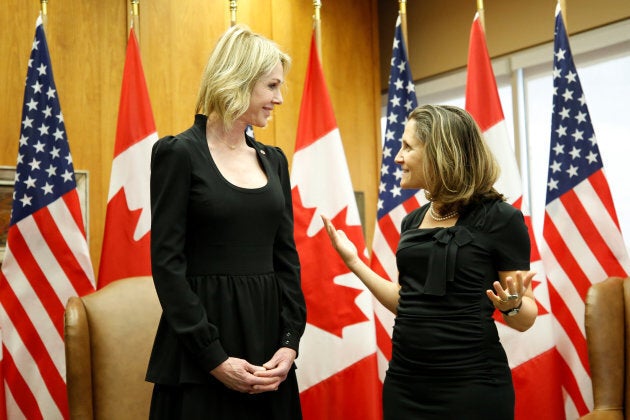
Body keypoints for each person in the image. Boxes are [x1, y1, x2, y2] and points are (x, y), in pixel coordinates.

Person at [322, 104, 537, 420]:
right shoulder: (412, 222)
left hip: (472, 389)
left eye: (407, 147)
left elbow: (525, 316)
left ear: (440, 153)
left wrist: (513, 306)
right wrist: (355, 263)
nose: (397, 157)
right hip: (405, 385)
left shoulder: (501, 219)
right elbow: (407, 303)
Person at [146, 24, 306, 420]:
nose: (279, 98)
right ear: (240, 81)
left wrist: (290, 343)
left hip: (269, 349)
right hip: (200, 350)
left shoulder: (275, 160)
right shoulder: (178, 154)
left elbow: (286, 259)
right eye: (271, 86)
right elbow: (167, 266)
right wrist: (213, 357)